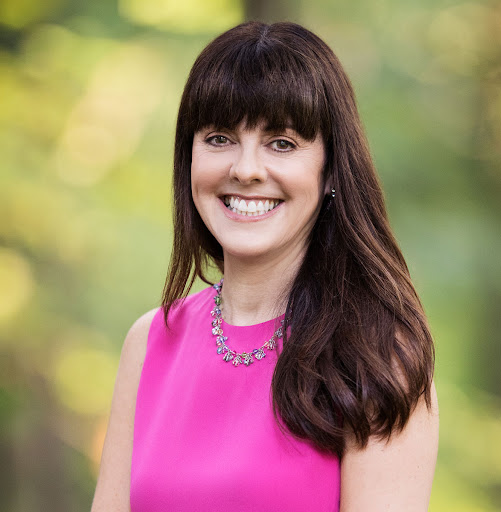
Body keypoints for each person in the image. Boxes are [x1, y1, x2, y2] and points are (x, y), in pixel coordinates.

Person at [91, 21, 439, 512]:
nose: (246, 169)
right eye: (219, 138)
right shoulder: (149, 342)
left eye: (282, 143)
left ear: (330, 169)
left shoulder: (378, 358)